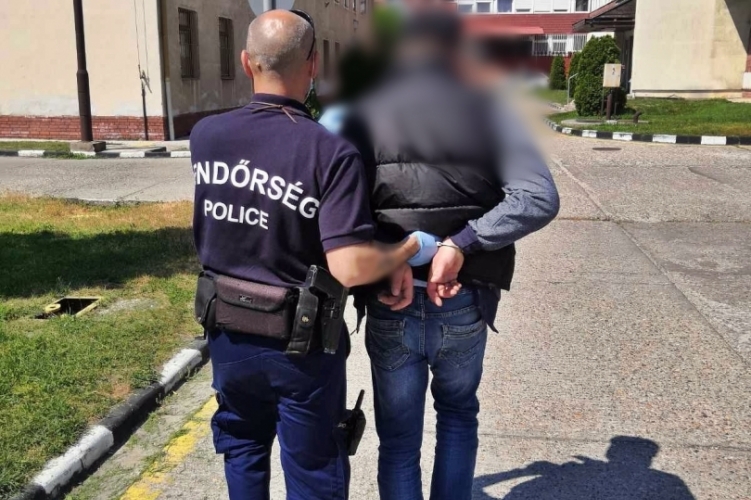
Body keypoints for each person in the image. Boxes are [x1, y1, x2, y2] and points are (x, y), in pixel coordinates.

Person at [189, 10, 438, 500]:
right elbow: (347, 265)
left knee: (242, 447)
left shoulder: (206, 136)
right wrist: (407, 249)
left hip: (227, 330)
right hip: (298, 347)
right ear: (313, 66)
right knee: (314, 469)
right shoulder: (329, 152)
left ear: (245, 62)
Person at [335, 10, 561, 500]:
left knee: (398, 439)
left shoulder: (363, 114)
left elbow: (339, 211)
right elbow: (537, 196)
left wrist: (389, 254)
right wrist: (463, 243)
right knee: (457, 417)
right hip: (461, 298)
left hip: (390, 298)